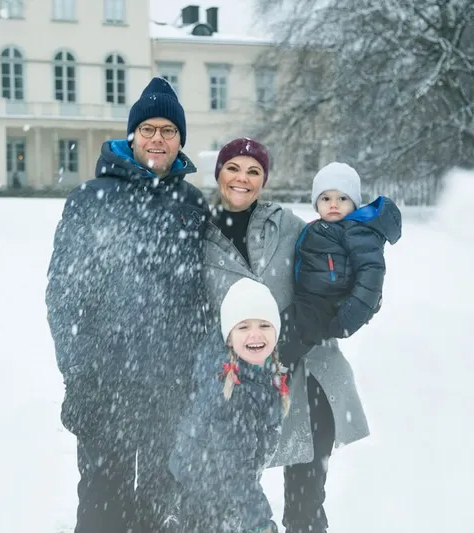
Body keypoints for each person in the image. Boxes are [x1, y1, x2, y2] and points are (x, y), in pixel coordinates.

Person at [45, 77, 210, 533]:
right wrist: (80, 376)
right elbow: (65, 296)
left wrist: (198, 375)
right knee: (103, 507)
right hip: (106, 387)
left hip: (171, 389)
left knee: (163, 508)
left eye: (169, 131)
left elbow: (204, 297)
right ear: (133, 135)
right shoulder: (91, 200)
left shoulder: (192, 205)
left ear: (180, 141)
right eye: (149, 129)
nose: (158, 138)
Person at [201, 137, 369, 533]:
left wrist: (292, 338)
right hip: (239, 387)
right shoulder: (199, 240)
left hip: (309, 376)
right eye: (233, 168)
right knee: (238, 502)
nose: (242, 178)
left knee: (306, 503)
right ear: (219, 174)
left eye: (253, 171)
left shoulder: (291, 227)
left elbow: (337, 283)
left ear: (264, 179)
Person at [169, 277, 290, 533]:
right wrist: (258, 521)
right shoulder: (233, 392)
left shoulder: (257, 372)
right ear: (228, 336)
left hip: (216, 498)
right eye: (243, 327)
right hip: (210, 506)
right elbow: (235, 469)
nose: (255, 334)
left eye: (264, 325)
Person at [293, 162, 402, 345]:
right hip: (308, 300)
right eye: (326, 199)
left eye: (342, 199)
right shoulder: (321, 227)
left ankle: (279, 366)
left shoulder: (356, 232)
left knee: (294, 336)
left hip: (329, 304)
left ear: (354, 203)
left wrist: (350, 317)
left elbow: (371, 276)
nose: (334, 204)